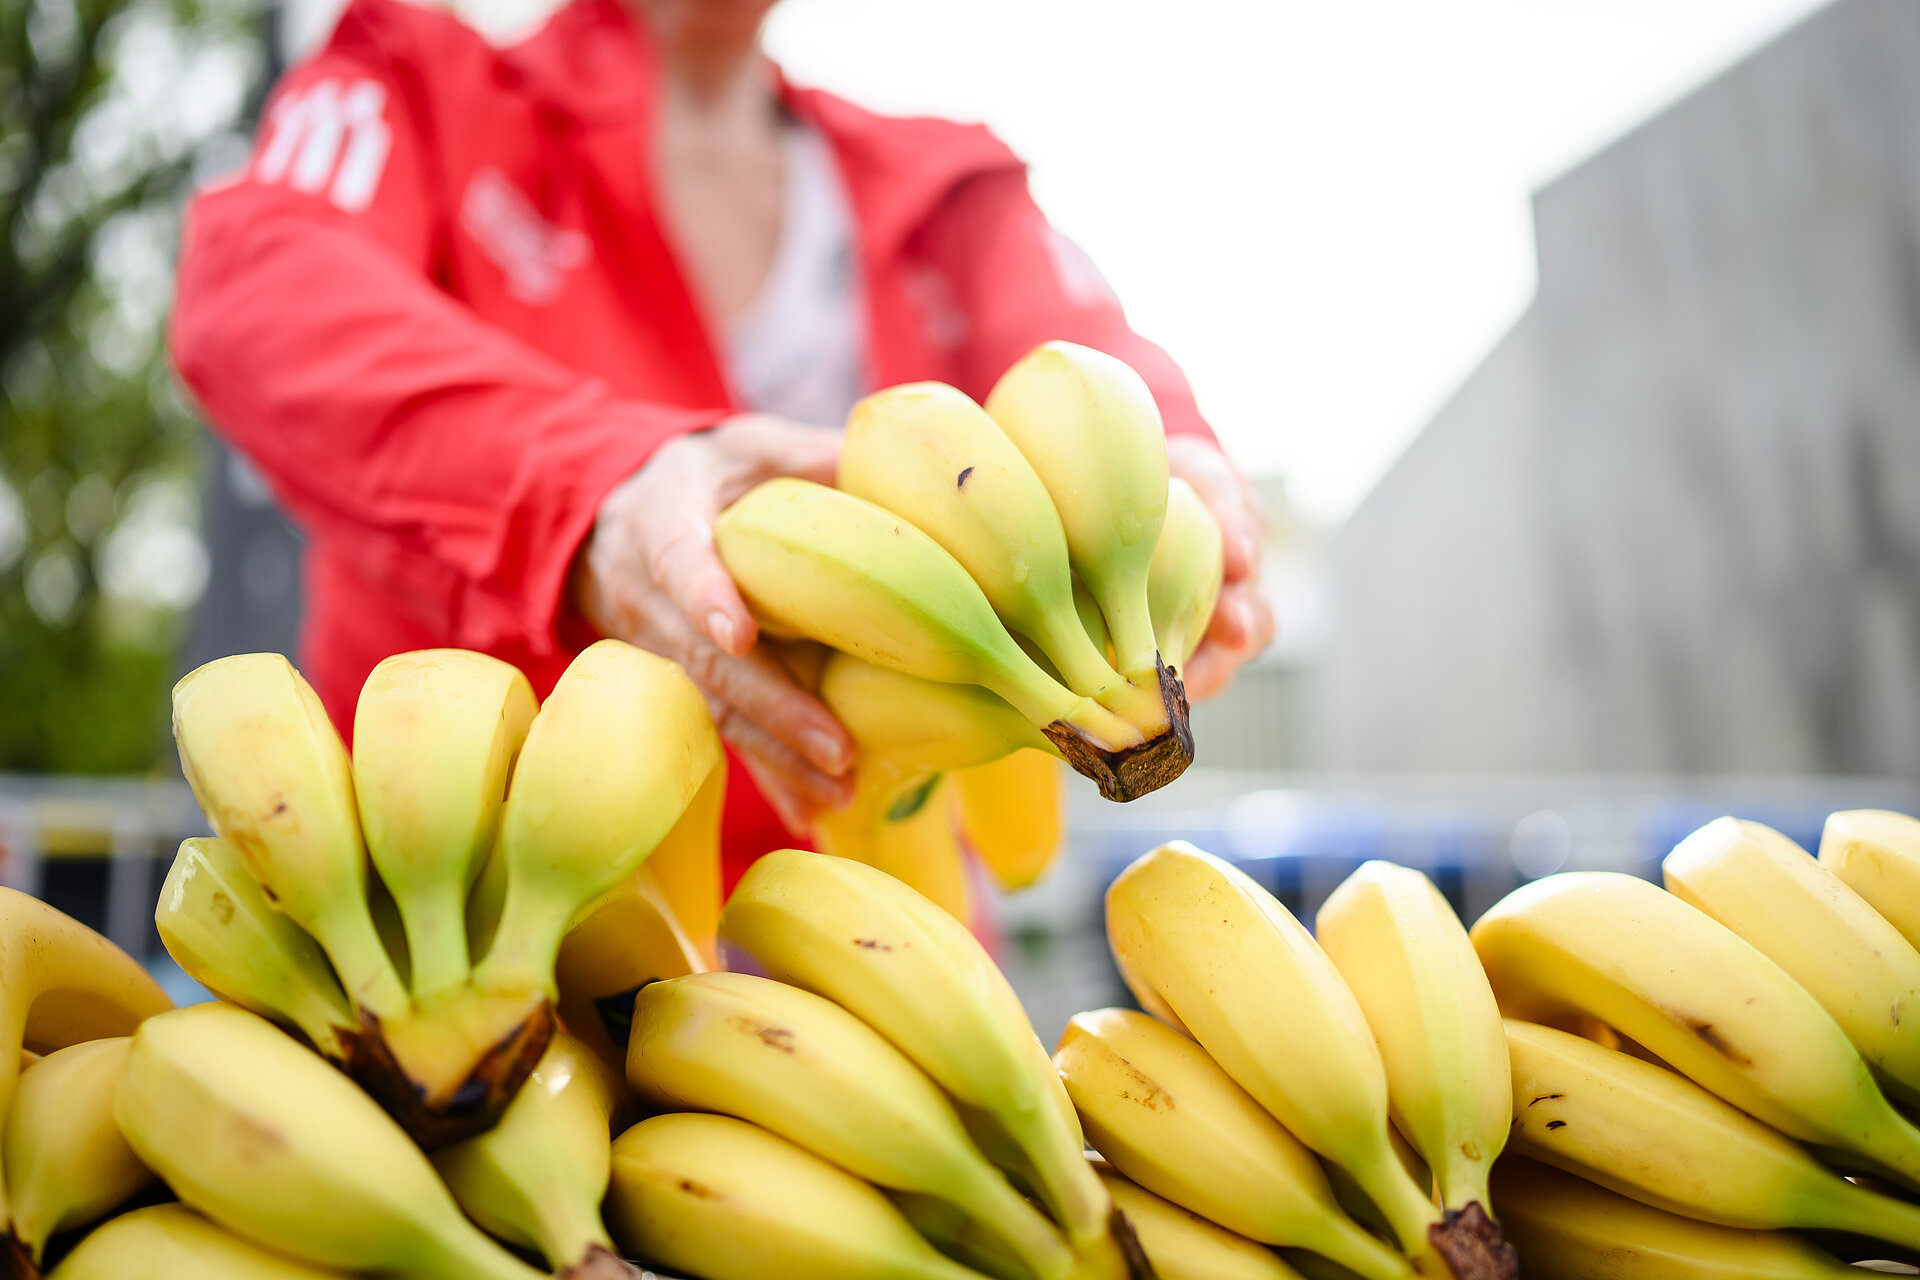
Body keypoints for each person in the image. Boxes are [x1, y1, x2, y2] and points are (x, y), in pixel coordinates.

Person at [170, 0, 1275, 886]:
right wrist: (593, 490)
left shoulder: (945, 192)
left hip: (887, 940)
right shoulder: (412, 80)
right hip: (471, 928)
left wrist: (1183, 474)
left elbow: (1091, 366)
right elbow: (261, 287)